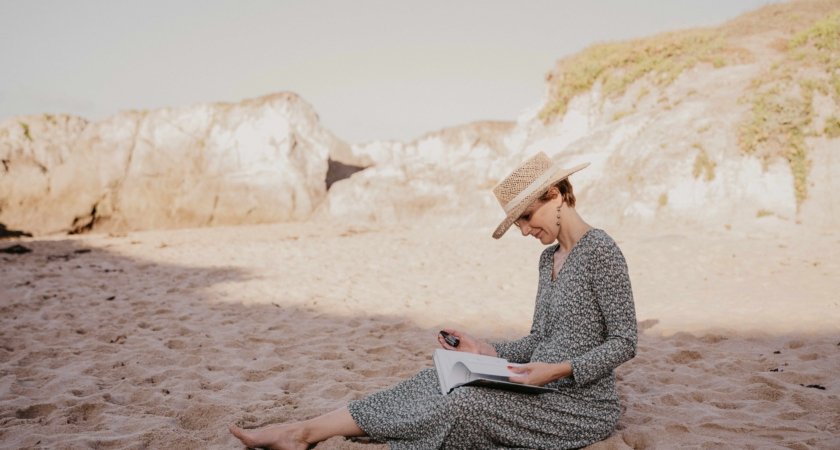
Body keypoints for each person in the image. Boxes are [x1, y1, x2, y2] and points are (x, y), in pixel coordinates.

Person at [230, 151, 637, 449]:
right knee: (437, 379)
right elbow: (540, 339)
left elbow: (624, 341)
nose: (525, 231)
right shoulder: (548, 259)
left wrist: (557, 371)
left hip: (580, 405)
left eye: (526, 218)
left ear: (554, 194)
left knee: (466, 404)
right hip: (540, 384)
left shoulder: (599, 250)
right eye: (517, 224)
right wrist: (486, 349)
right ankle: (303, 432)